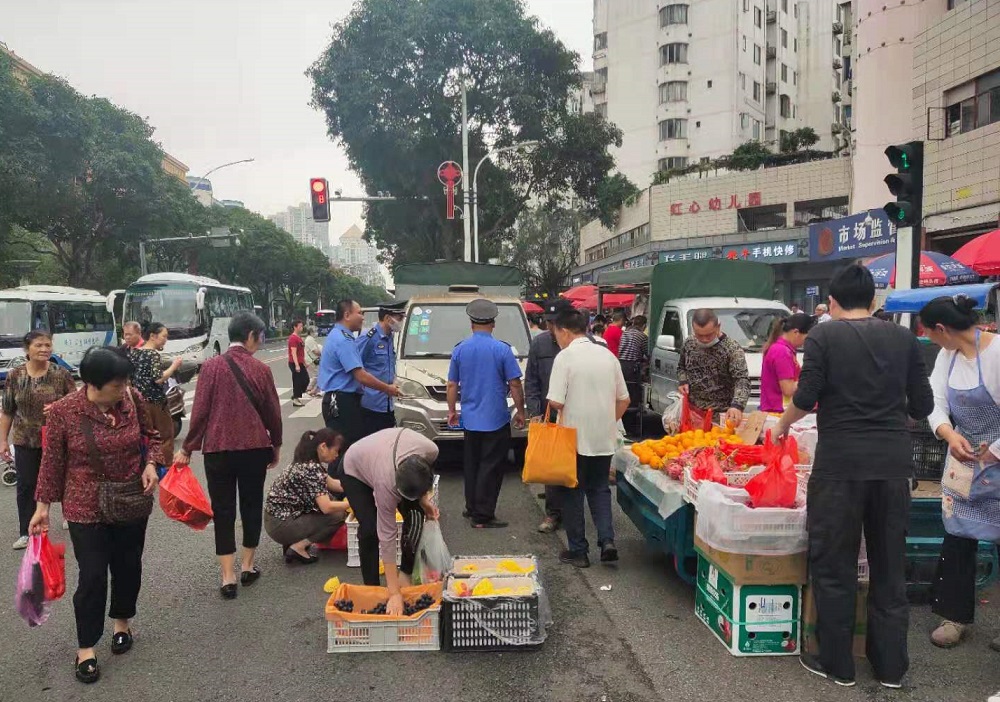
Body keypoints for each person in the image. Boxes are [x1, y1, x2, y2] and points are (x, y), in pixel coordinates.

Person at [774, 264, 933, 689]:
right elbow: (921, 406)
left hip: (840, 467)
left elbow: (805, 398)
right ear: (875, 300)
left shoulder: (824, 335)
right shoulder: (904, 338)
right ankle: (891, 669)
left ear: (833, 300)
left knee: (834, 564)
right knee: (888, 565)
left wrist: (781, 425)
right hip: (892, 468)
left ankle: (838, 664)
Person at [30, 347, 162, 685]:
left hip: (130, 498)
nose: (123, 389)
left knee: (128, 564)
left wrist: (150, 464)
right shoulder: (64, 412)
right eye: (116, 384)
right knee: (91, 576)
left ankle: (122, 623)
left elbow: (152, 436)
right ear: (92, 383)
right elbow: (52, 461)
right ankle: (86, 646)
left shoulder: (132, 397)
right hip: (84, 504)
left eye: (125, 382)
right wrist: (42, 507)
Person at [173, 311, 283, 600]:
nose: (259, 342)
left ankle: (227, 576)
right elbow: (273, 412)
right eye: (259, 336)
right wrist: (277, 444)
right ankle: (248, 566)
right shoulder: (261, 370)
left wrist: (187, 447)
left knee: (222, 510)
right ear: (250, 336)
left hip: (218, 450)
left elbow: (200, 412)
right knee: (251, 505)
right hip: (254, 448)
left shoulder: (211, 368)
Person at [921, 295, 1000, 650]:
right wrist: (949, 434)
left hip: (997, 457)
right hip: (964, 459)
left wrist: (994, 452)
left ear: (943, 329)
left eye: (932, 334)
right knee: (957, 537)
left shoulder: (998, 352)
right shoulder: (947, 356)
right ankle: (954, 616)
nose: (933, 341)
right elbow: (934, 401)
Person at [546, 306, 630, 568]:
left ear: (564, 331)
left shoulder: (565, 358)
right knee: (599, 489)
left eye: (556, 333)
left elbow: (556, 402)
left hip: (573, 439)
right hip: (603, 438)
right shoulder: (607, 356)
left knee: (572, 493)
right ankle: (607, 541)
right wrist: (607, 421)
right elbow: (624, 399)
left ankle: (579, 551)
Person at [341, 428, 439, 614]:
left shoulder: (431, 449)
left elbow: (424, 480)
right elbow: (387, 535)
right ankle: (373, 589)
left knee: (417, 516)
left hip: (386, 452)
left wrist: (424, 500)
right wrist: (394, 593)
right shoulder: (385, 483)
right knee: (370, 529)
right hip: (354, 467)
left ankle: (406, 573)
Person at [447, 298, 526, 529]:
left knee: (471, 464)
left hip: (470, 419)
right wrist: (520, 412)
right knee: (491, 466)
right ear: (493, 324)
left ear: (471, 324)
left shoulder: (460, 349)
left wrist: (452, 411)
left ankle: (471, 507)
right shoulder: (502, 349)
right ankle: (482, 516)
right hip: (496, 418)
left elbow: (452, 384)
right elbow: (514, 384)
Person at [0, 331, 75, 549]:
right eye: (39, 345)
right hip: (25, 439)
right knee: (26, 485)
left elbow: (78, 401)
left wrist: (59, 407)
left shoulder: (60, 374)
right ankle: (26, 530)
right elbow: (7, 411)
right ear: (27, 349)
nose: (44, 349)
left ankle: (70, 515)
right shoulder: (16, 376)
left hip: (57, 438)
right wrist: (3, 440)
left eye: (48, 345)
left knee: (64, 478)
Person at [317, 299, 400, 465]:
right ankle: (340, 488)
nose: (363, 317)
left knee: (347, 448)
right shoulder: (344, 340)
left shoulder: (339, 336)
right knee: (343, 450)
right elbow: (360, 374)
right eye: (359, 313)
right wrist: (387, 389)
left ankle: (342, 487)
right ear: (347, 315)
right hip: (342, 400)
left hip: (344, 399)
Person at [264, 428, 350, 565]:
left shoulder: (307, 463)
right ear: (323, 447)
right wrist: (352, 503)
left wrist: (359, 487)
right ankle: (298, 546)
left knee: (334, 504)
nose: (337, 456)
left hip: (276, 520)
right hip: (281, 524)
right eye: (336, 451)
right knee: (338, 515)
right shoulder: (312, 469)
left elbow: (334, 484)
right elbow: (326, 507)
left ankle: (293, 541)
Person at [525, 299, 571, 534]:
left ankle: (573, 515)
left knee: (573, 467)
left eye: (556, 322)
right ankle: (553, 514)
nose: (551, 327)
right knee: (551, 466)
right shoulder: (539, 344)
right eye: (549, 322)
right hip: (549, 414)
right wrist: (534, 411)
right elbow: (531, 380)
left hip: (576, 415)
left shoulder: (581, 344)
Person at [677, 309, 750, 428]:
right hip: (693, 413)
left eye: (709, 335)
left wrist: (737, 405)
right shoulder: (689, 343)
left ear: (718, 326)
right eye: (699, 335)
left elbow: (742, 380)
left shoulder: (732, 349)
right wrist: (683, 381)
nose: (705, 339)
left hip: (720, 416)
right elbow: (681, 367)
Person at [127, 322, 182, 460]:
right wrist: (174, 366)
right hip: (155, 403)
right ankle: (165, 468)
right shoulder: (153, 355)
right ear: (153, 336)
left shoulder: (135, 353)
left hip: (138, 402)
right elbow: (158, 379)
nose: (165, 340)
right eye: (164, 336)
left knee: (145, 437)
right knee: (165, 436)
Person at [356, 301, 406, 436]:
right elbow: (355, 370)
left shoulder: (390, 338)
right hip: (370, 406)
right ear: (388, 318)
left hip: (387, 405)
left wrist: (394, 381)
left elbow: (388, 366)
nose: (401, 322)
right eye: (399, 318)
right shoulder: (368, 338)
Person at [759, 313, 816, 413]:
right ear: (796, 332)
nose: (806, 341)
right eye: (806, 337)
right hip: (778, 411)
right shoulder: (782, 352)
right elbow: (788, 389)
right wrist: (810, 377)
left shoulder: (781, 348)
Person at [618, 314, 649, 411]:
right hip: (632, 366)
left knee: (623, 387)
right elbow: (647, 353)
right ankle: (632, 411)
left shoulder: (624, 333)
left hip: (620, 364)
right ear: (644, 326)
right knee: (633, 389)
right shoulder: (642, 336)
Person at [287, 319, 309, 407]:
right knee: (297, 381)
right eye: (300, 326)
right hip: (294, 363)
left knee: (305, 380)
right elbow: (293, 352)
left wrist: (304, 362)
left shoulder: (299, 338)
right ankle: (296, 398)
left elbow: (301, 353)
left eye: (302, 326)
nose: (301, 328)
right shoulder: (293, 338)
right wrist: (296, 365)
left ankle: (296, 395)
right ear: (295, 327)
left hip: (300, 362)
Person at [304, 326, 323, 397]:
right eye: (315, 331)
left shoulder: (311, 339)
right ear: (311, 332)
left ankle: (311, 389)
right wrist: (322, 353)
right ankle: (309, 388)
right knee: (316, 375)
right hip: (312, 360)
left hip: (312, 360)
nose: (316, 333)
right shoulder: (310, 339)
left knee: (316, 375)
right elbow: (315, 351)